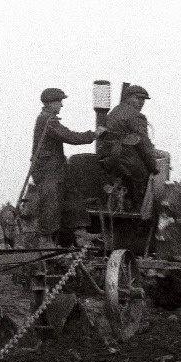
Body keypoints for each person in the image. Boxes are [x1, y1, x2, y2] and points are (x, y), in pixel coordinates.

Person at [31, 87, 101, 248]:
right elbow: (68, 136)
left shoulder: (49, 119)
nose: (61, 105)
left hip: (57, 169)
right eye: (59, 102)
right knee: (51, 203)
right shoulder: (47, 121)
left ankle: (80, 233)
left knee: (73, 197)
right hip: (47, 170)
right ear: (49, 103)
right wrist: (93, 135)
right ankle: (45, 240)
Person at [98, 85, 159, 208]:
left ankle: (126, 199)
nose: (141, 102)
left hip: (109, 160)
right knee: (150, 174)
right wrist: (153, 167)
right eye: (138, 98)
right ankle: (140, 205)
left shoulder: (113, 113)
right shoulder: (136, 116)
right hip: (128, 162)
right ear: (127, 98)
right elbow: (144, 145)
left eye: (143, 100)